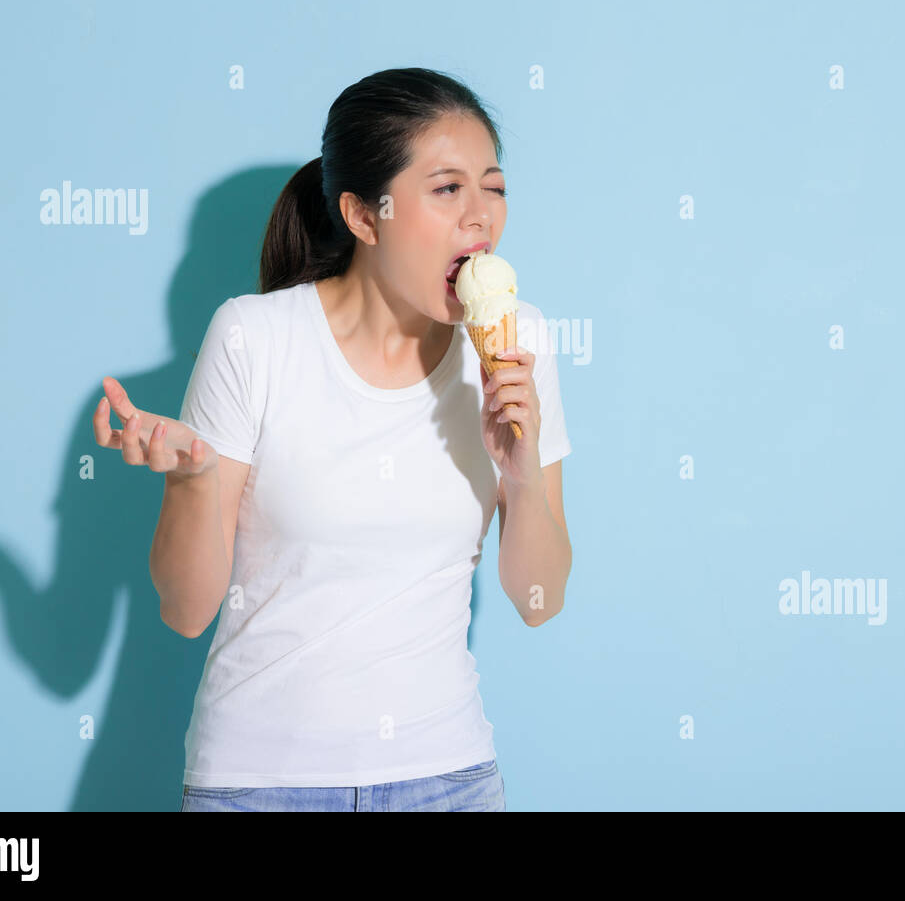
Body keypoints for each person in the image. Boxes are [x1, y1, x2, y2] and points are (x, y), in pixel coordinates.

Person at [92, 68, 573, 811]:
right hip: (259, 786)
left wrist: (523, 474)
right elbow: (185, 610)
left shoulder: (520, 343)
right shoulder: (254, 339)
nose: (481, 219)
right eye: (447, 189)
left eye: (494, 187)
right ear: (362, 215)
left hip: (449, 779)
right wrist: (189, 481)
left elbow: (540, 600)